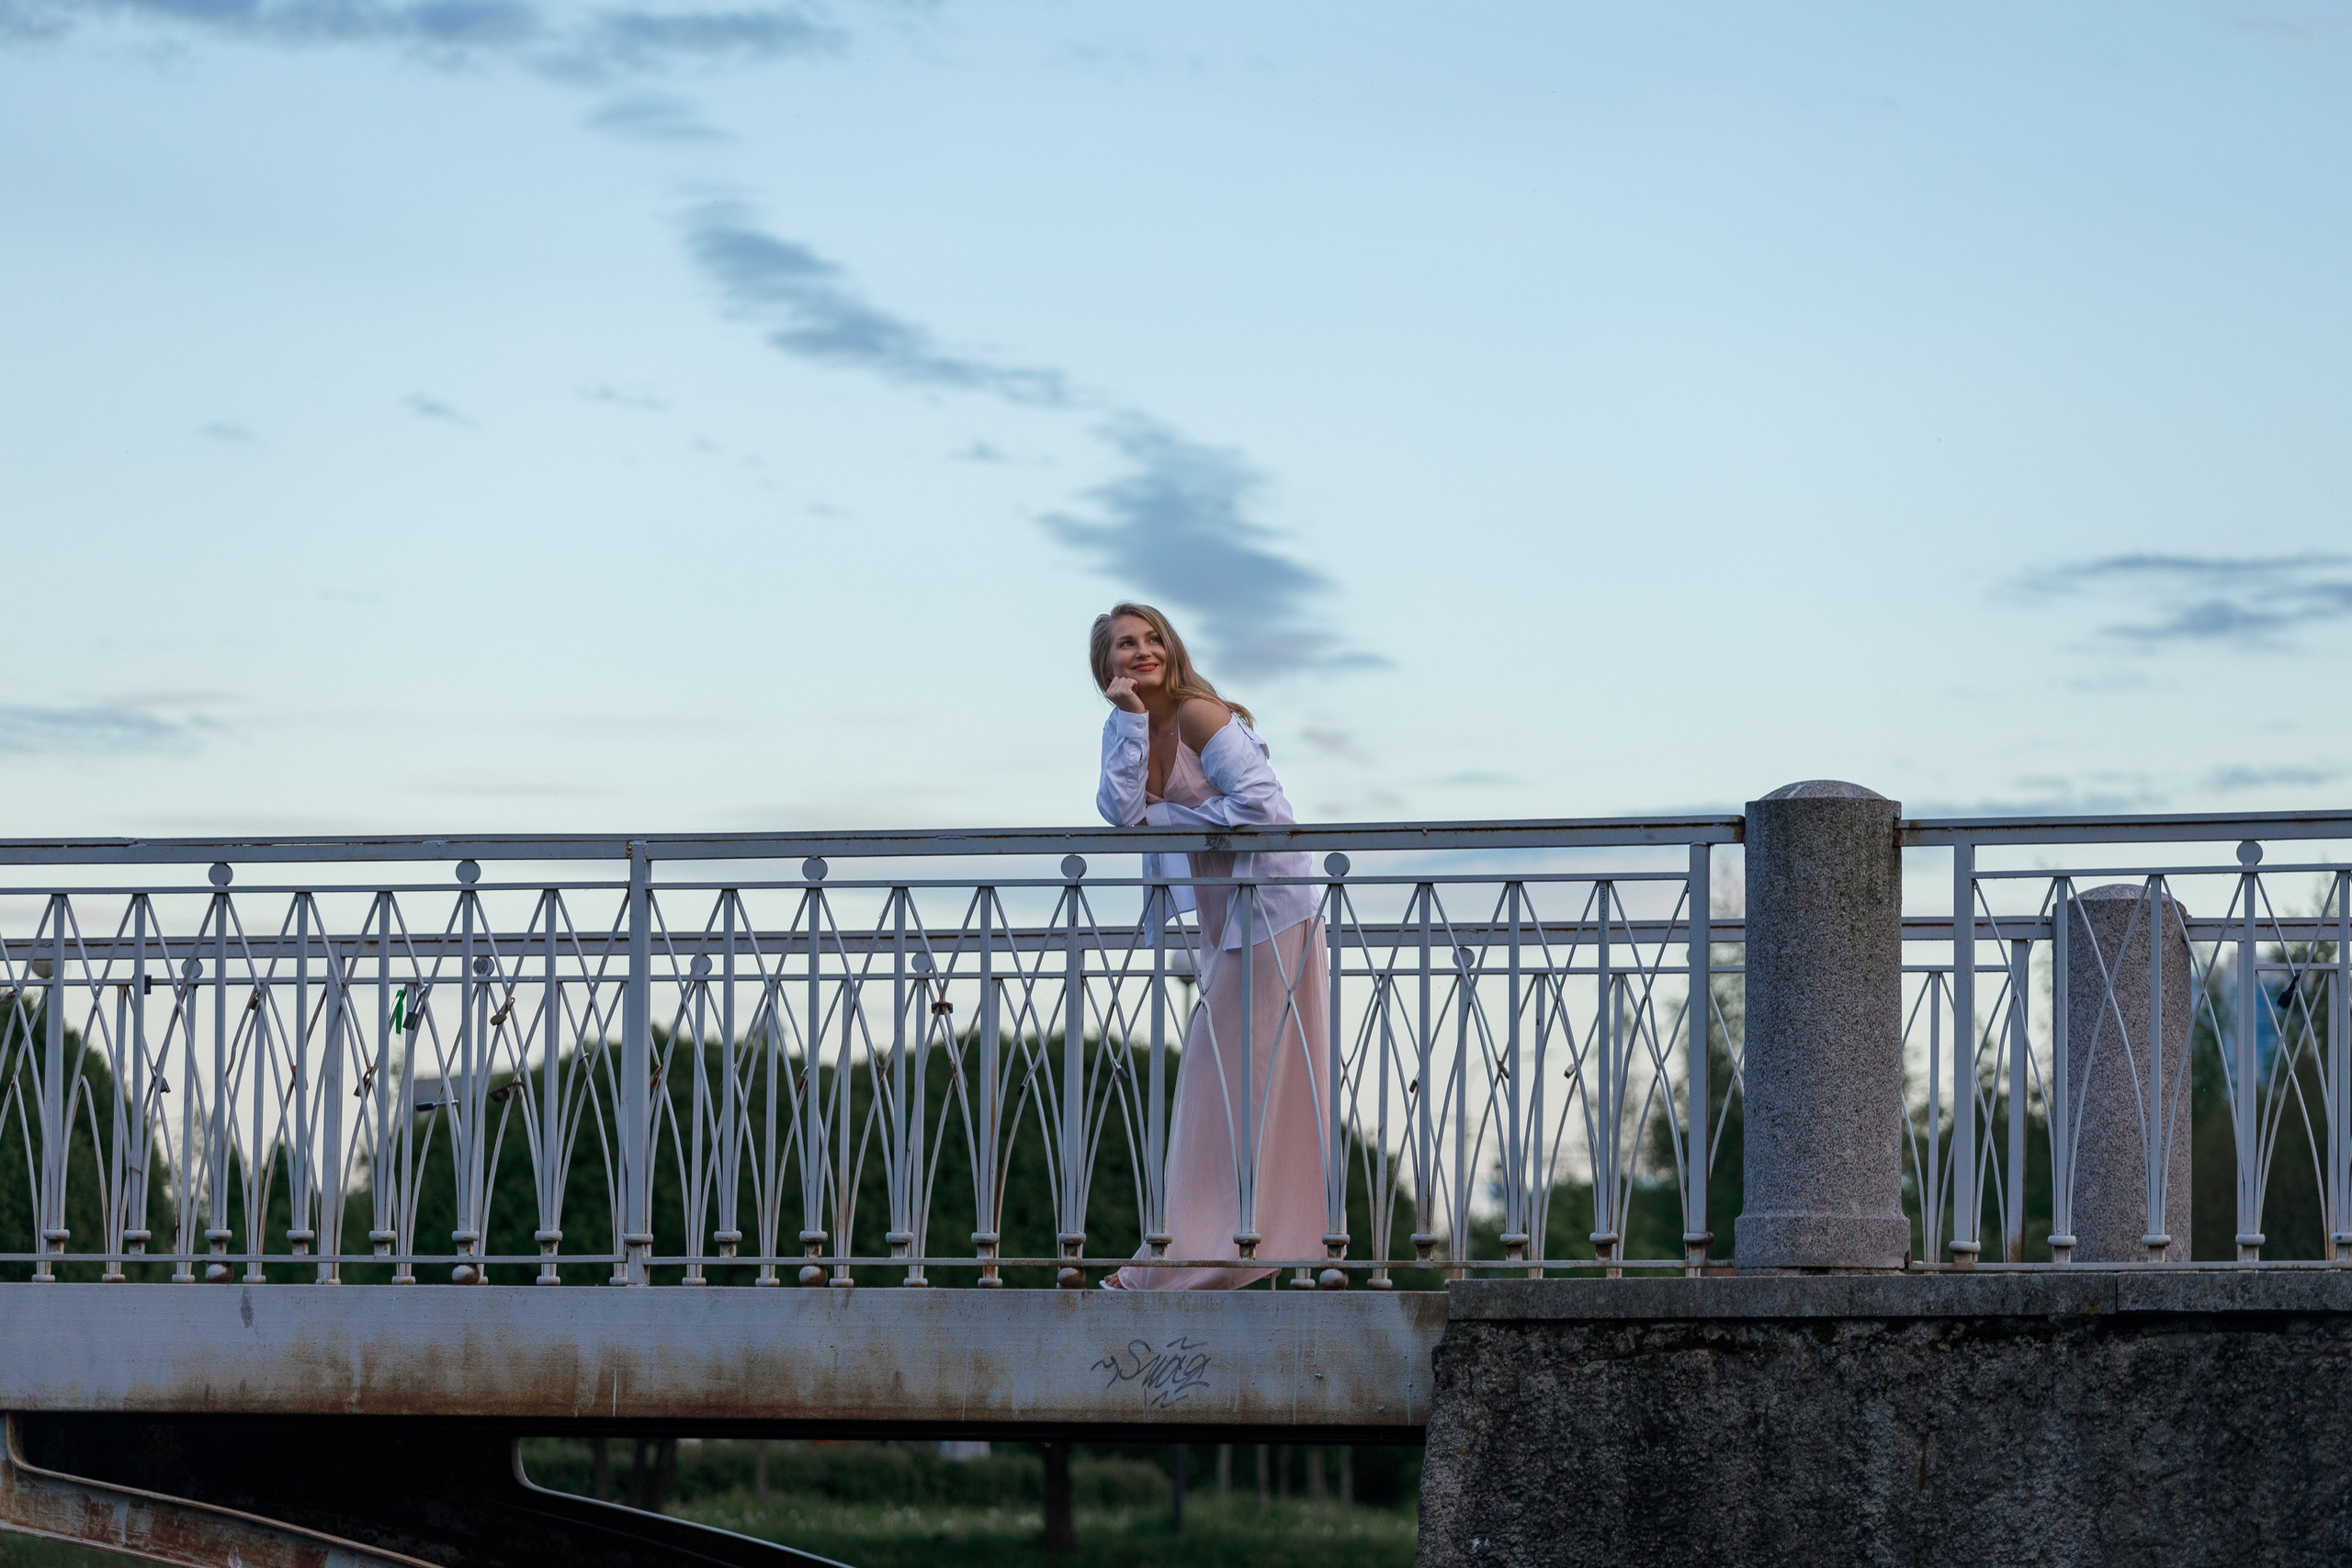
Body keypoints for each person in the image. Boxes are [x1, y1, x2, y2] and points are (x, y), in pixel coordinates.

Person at [1090, 602, 1330, 1289]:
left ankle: (1196, 1261)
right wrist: (1130, 718)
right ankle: (1204, 1253)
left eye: (1153, 638)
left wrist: (1177, 818)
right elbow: (1121, 812)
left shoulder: (1200, 714)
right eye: (1125, 644)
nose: (1143, 650)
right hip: (1230, 923)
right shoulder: (1132, 723)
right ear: (1107, 666)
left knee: (1230, 1085)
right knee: (1220, 1089)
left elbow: (1266, 807)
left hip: (1273, 912)